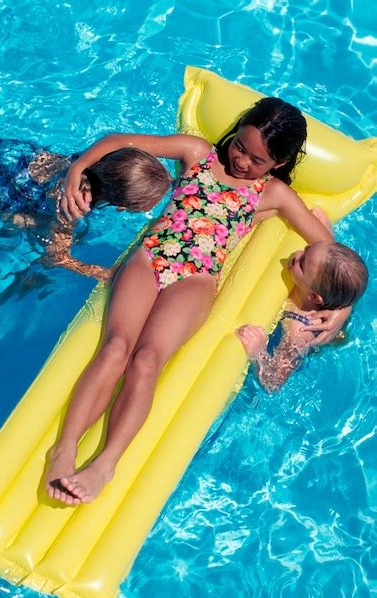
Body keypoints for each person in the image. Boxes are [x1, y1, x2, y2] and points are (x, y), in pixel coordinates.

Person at [46, 97, 350, 505]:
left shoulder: (273, 193)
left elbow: (332, 255)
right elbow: (118, 140)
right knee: (116, 345)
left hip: (196, 279)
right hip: (150, 257)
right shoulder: (198, 153)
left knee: (147, 359)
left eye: (257, 160)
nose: (241, 161)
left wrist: (341, 308)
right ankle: (64, 448)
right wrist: (76, 170)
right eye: (240, 146)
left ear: (278, 164)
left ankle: (105, 463)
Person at [0, 138, 172, 289]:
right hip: (4, 190)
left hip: (18, 155)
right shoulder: (74, 207)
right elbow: (55, 256)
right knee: (28, 225)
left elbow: (119, 141)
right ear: (123, 207)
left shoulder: (95, 161)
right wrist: (103, 273)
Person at [236, 239, 368, 392]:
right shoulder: (313, 276)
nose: (297, 254)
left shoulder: (300, 330)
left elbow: (273, 383)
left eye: (302, 263)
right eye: (307, 248)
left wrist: (259, 353)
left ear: (313, 297)